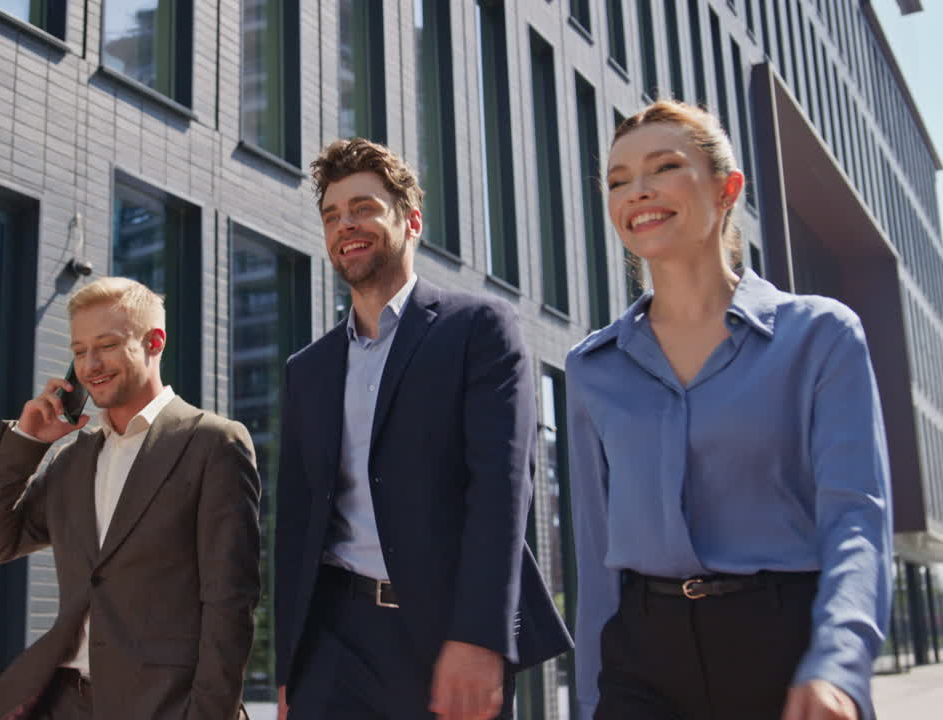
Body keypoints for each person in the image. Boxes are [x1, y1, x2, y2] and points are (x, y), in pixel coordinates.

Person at [566, 100, 892, 720]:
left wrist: (838, 663)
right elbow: (596, 554)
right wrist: (589, 703)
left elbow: (855, 519)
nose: (637, 191)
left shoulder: (820, 337)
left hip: (784, 649)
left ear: (727, 190)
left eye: (663, 167)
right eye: (617, 180)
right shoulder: (593, 367)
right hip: (641, 661)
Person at [273, 138, 572, 720]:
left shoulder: (479, 328)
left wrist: (482, 635)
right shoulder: (307, 369)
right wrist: (290, 667)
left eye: (363, 207)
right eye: (332, 215)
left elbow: (502, 492)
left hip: (444, 635)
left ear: (411, 220)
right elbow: (297, 523)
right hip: (333, 641)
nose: (345, 225)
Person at [0, 276, 261, 720]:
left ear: (154, 342)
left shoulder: (213, 443)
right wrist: (28, 441)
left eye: (105, 345)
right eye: (79, 351)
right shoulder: (73, 459)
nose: (90, 365)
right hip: (62, 702)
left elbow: (229, 603)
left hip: (162, 705)